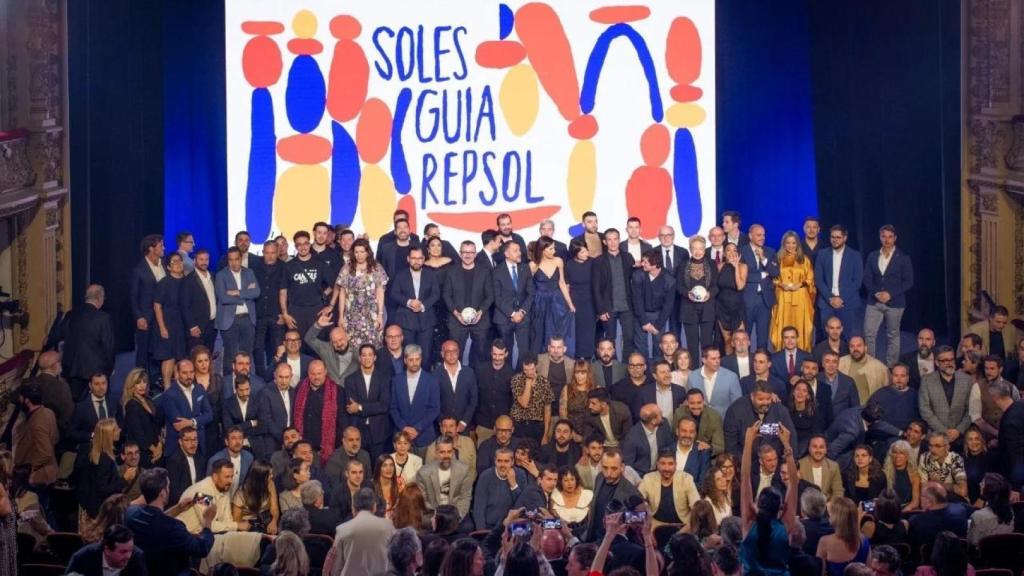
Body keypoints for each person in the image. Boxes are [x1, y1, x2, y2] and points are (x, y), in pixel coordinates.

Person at [126, 467, 216, 576]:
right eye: (168, 487)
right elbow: (202, 548)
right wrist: (207, 521)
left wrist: (177, 509)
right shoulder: (173, 527)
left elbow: (153, 520)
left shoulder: (131, 513)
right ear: (163, 493)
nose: (169, 490)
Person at [739, 421, 799, 575]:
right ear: (781, 507)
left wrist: (748, 443)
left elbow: (744, 478)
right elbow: (794, 482)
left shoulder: (749, 522)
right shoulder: (785, 524)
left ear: (757, 504)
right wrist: (787, 445)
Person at [863, 225, 914, 366]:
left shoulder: (903, 258)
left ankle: (891, 367)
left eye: (890, 237)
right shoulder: (872, 256)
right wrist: (876, 293)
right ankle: (870, 365)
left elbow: (909, 281)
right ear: (880, 237)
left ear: (895, 238)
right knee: (869, 334)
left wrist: (890, 294)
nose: (887, 240)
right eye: (884, 236)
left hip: (895, 303)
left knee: (892, 335)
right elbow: (867, 278)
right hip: (874, 302)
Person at [280, 230, 334, 351]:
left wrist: (328, 303)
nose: (303, 247)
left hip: (316, 311)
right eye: (299, 244)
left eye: (305, 243)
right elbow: (283, 291)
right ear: (295, 247)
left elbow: (335, 285)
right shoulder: (289, 266)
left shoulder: (320, 264)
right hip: (295, 311)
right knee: (296, 346)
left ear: (309, 244)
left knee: (318, 346)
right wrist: (285, 313)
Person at [444, 240, 495, 364]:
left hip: (480, 320)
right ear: (460, 253)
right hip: (457, 320)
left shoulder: (485, 272)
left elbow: (490, 296)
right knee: (455, 356)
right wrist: (456, 314)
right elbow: (446, 295)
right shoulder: (451, 271)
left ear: (475, 254)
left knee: (480, 355)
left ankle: (477, 381)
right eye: (465, 252)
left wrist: (480, 312)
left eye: (471, 252)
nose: (468, 255)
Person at [62, 284, 116, 401]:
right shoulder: (104, 318)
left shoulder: (71, 314)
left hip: (72, 368)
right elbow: (108, 346)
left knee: (75, 404)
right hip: (96, 370)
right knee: (99, 403)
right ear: (99, 298)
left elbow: (59, 335)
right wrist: (110, 369)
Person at [334, 238, 388, 350]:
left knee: (373, 346)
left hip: (371, 314)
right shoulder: (347, 268)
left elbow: (380, 291)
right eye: (356, 252)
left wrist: (380, 314)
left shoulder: (376, 268)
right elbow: (342, 293)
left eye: (362, 252)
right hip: (351, 315)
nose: (359, 255)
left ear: (368, 252)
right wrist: (341, 316)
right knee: (352, 347)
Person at [215, 248, 260, 376]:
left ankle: (247, 382)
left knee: (247, 354)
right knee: (230, 354)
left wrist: (237, 292)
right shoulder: (221, 275)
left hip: (247, 319)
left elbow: (256, 292)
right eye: (231, 260)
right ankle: (229, 385)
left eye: (236, 259)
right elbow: (223, 298)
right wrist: (245, 295)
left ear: (241, 259)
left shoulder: (249, 272)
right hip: (230, 320)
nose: (234, 263)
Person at [723, 380, 796, 460]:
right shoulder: (736, 410)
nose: (765, 403)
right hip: (745, 462)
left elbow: (791, 438)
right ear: (752, 397)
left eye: (768, 399)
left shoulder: (780, 410)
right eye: (760, 399)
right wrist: (746, 463)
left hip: (775, 463)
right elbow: (731, 445)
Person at [331, 487, 396, 576]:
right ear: (374, 507)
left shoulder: (342, 529)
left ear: (353, 508)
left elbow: (336, 568)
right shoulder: (389, 526)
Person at [814, 225, 863, 340]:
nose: (835, 240)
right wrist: (830, 298)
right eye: (832, 237)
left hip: (847, 302)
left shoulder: (855, 255)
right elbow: (819, 279)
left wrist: (841, 298)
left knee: (847, 336)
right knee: (827, 336)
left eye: (838, 237)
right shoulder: (822, 254)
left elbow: (857, 281)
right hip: (827, 303)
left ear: (845, 238)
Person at [593, 228, 637, 359]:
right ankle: (614, 367)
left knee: (629, 338)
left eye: (615, 239)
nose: (613, 242)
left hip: (626, 305)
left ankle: (626, 368)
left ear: (619, 240)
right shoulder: (599, 261)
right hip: (608, 307)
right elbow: (596, 287)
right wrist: (600, 310)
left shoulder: (628, 257)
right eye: (609, 240)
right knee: (610, 340)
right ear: (605, 242)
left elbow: (633, 280)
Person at [582, 448, 641, 542]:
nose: (608, 473)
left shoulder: (630, 491)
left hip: (614, 543)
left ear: (622, 467)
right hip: (593, 536)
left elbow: (641, 516)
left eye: (614, 468)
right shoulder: (600, 477)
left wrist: (622, 517)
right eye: (605, 467)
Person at [769, 231, 816, 352]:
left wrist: (800, 284)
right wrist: (781, 284)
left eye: (793, 243)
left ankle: (802, 352)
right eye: (788, 243)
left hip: (800, 297)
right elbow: (772, 278)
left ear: (797, 244)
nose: (791, 246)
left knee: (801, 325)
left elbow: (810, 278)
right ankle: (781, 353)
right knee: (782, 325)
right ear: (783, 244)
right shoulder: (778, 259)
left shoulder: (804, 260)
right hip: (783, 298)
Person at [529, 236, 576, 354]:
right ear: (542, 249)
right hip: (540, 302)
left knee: (558, 331)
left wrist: (570, 304)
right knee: (541, 332)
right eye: (550, 249)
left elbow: (562, 283)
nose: (554, 251)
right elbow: (529, 287)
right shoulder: (533, 265)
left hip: (557, 301)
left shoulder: (558, 261)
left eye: (554, 248)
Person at [390, 344, 441, 453]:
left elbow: (435, 409)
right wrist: (404, 427)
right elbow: (393, 408)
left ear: (421, 359)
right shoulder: (396, 380)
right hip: (401, 437)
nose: (414, 363)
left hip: (424, 437)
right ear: (405, 360)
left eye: (417, 359)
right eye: (411, 360)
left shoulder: (432, 381)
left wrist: (417, 428)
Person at [75, 419, 127, 525]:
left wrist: (118, 461)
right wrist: (124, 479)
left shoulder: (98, 453)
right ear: (109, 435)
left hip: (95, 506)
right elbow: (103, 489)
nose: (120, 430)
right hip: (101, 510)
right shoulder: (104, 459)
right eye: (116, 429)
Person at [678, 235, 719, 366]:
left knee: (707, 343)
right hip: (688, 308)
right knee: (692, 344)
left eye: (700, 248)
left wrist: (709, 294)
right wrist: (687, 293)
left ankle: (708, 368)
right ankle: (694, 371)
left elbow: (717, 285)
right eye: (694, 248)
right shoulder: (683, 265)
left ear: (704, 249)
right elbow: (679, 286)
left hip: (707, 308)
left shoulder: (712, 264)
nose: (698, 251)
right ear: (690, 249)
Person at [160, 359, 214, 455]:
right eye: (184, 373)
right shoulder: (169, 395)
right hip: (177, 448)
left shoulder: (199, 389)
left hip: (199, 445)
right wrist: (200, 419)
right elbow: (179, 424)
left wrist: (191, 422)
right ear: (177, 373)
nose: (189, 376)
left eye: (191, 372)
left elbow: (209, 415)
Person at [415, 435, 472, 524]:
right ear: (436, 453)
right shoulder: (423, 473)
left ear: (453, 452)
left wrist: (456, 517)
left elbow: (464, 498)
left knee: (467, 527)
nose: (446, 456)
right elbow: (423, 500)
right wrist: (438, 518)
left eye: (449, 452)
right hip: (433, 514)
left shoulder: (463, 470)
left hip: (455, 514)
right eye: (442, 452)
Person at [739, 224, 779, 351]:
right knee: (745, 336)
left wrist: (763, 259)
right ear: (750, 236)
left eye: (763, 235)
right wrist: (762, 274)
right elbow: (741, 276)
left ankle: (761, 364)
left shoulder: (770, 251)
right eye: (759, 235)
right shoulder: (741, 251)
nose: (762, 238)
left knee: (763, 338)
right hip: (747, 300)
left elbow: (775, 272)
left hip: (765, 301)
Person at [638, 449, 701, 529]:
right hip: (656, 526)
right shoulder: (648, 478)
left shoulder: (686, 479)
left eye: (670, 464)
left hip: (682, 526)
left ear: (676, 465)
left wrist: (688, 528)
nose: (667, 468)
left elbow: (696, 506)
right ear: (657, 464)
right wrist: (647, 527)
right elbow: (636, 505)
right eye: (663, 464)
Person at [908, 482, 970, 563]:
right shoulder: (961, 509)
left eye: (922, 496)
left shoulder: (916, 521)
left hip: (929, 564)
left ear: (929, 502)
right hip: (958, 563)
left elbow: (914, 551)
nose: (920, 498)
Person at [492, 240, 534, 358]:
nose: (520, 253)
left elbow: (531, 293)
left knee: (524, 352)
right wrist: (512, 313)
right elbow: (497, 297)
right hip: (504, 318)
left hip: (523, 317)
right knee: (506, 353)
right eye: (516, 251)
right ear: (507, 254)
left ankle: (521, 377)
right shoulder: (496, 271)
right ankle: (509, 376)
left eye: (519, 250)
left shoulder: (525, 268)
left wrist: (521, 312)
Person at [131, 234, 166, 377]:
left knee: (160, 350)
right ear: (151, 249)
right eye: (161, 246)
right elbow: (133, 296)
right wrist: (139, 317)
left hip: (164, 316)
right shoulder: (139, 270)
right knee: (144, 352)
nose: (164, 248)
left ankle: (156, 380)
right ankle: (139, 382)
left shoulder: (164, 264)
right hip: (147, 318)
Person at [632, 250, 676, 358]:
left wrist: (658, 325)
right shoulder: (638, 275)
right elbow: (637, 300)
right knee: (640, 346)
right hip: (641, 314)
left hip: (659, 315)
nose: (642, 264)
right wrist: (644, 322)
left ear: (655, 264)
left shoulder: (669, 279)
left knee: (659, 347)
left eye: (645, 262)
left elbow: (668, 305)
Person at [251, 241, 285, 380]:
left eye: (273, 253)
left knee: (276, 348)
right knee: (257, 348)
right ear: (263, 252)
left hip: (277, 315)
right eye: (267, 253)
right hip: (259, 314)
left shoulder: (284, 267)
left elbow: (287, 292)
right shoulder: (254, 266)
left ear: (277, 253)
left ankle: (274, 377)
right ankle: (260, 377)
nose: (270, 256)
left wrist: (284, 313)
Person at [472, 447, 527, 530]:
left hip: (513, 526)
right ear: (495, 461)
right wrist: (481, 532)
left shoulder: (520, 475)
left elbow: (523, 507)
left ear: (512, 462)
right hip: (490, 526)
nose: (502, 465)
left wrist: (513, 485)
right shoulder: (485, 476)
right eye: (499, 461)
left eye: (506, 461)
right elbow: (479, 508)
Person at [66, 524, 148, 576]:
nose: (128, 556)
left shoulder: (137, 556)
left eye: (131, 550)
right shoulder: (82, 557)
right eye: (123, 552)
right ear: (107, 550)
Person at [815, 497, 870, 575]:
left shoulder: (825, 542)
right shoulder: (864, 540)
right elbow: (869, 571)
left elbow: (820, 573)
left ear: (835, 518)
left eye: (830, 513)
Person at [434, 341, 478, 435]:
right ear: (442, 354)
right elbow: (433, 401)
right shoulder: (435, 374)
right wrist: (442, 422)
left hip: (463, 426)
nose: (452, 354)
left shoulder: (469, 372)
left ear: (458, 352)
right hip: (443, 427)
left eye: (454, 351)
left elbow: (473, 399)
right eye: (448, 351)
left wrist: (464, 421)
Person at [475, 340, 514, 446]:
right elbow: (475, 398)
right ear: (491, 353)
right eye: (495, 354)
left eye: (501, 354)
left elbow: (513, 401)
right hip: (484, 424)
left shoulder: (512, 374)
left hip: (503, 426)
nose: (497, 358)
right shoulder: (481, 371)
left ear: (506, 354)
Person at [254, 362, 297, 460]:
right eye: (281, 377)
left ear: (291, 377)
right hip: (272, 441)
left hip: (291, 442)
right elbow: (266, 420)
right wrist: (284, 438)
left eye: (287, 377)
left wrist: (290, 438)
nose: (284, 381)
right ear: (275, 376)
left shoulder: (294, 392)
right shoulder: (265, 392)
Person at [121, 368, 162, 466]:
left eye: (144, 382)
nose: (142, 385)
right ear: (131, 385)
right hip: (143, 452)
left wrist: (160, 446)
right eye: (138, 383)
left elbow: (157, 426)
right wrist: (154, 450)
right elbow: (138, 434)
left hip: (156, 448)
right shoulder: (131, 405)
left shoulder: (148, 399)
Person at [688, 346, 743, 418]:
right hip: (699, 423)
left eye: (718, 358)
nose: (717, 361)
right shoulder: (693, 376)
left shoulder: (731, 377)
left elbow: (737, 405)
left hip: (724, 423)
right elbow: (690, 402)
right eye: (713, 359)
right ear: (704, 360)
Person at [655, 225, 690, 337]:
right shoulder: (652, 252)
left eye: (669, 235)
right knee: (658, 332)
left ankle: (676, 354)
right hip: (658, 299)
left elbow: (686, 275)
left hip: (677, 298)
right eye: (663, 235)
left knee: (676, 331)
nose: (666, 238)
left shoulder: (683, 252)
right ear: (659, 237)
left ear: (673, 236)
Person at [304, 310, 356, 385]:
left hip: (351, 393)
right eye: (334, 342)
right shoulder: (326, 349)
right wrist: (318, 325)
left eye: (340, 339)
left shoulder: (358, 353)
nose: (339, 344)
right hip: (330, 392)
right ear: (331, 342)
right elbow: (308, 339)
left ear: (347, 337)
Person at [510, 355, 554, 442]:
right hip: (519, 424)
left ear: (536, 366)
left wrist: (545, 434)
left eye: (532, 369)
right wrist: (528, 382)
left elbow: (547, 409)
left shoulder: (544, 382)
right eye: (526, 370)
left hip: (537, 426)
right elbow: (524, 403)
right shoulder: (516, 380)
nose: (529, 372)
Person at [621, 404, 674, 476]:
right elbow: (628, 466)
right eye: (660, 414)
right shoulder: (632, 437)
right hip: (641, 475)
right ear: (653, 421)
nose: (662, 417)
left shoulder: (664, 425)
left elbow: (670, 445)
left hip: (661, 472)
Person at [673, 388, 725, 457]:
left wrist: (709, 447)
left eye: (699, 402)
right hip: (683, 453)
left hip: (705, 455)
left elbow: (720, 447)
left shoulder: (714, 417)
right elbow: (674, 437)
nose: (696, 406)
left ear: (703, 401)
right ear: (687, 402)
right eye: (692, 403)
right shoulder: (679, 413)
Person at [567, 238, 597, 357]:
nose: (586, 254)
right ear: (575, 253)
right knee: (576, 332)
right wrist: (569, 304)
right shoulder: (569, 265)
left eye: (586, 251)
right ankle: (577, 358)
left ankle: (589, 357)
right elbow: (567, 286)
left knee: (589, 332)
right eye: (582, 252)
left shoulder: (593, 262)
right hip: (575, 303)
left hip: (590, 302)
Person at [231, 458, 278, 533]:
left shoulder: (271, 484)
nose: (272, 476)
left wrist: (274, 521)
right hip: (248, 524)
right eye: (269, 474)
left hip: (265, 519)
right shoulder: (241, 493)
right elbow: (236, 520)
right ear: (260, 477)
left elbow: (274, 508)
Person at [191, 346, 224, 449]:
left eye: (206, 360)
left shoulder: (217, 379)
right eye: (200, 361)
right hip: (195, 428)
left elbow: (222, 406)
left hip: (213, 427)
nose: (204, 364)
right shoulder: (190, 381)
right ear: (194, 363)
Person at [918, 434, 968, 502]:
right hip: (933, 499)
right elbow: (924, 488)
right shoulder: (924, 457)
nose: (932, 450)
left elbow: (963, 491)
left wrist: (939, 483)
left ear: (947, 447)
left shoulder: (955, 459)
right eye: (930, 445)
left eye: (937, 446)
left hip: (955, 501)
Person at [166, 427, 207, 505]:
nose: (192, 444)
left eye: (195, 439)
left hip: (197, 501)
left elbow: (203, 486)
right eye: (187, 440)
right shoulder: (174, 461)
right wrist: (203, 502)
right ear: (180, 442)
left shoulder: (200, 458)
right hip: (181, 505)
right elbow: (176, 494)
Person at [799, 435, 844, 500]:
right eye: (814, 447)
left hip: (827, 506)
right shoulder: (800, 465)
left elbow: (838, 491)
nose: (818, 450)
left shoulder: (834, 466)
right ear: (809, 449)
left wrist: (831, 506)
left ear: (826, 450)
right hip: (805, 506)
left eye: (821, 447)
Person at [883, 440, 920, 511]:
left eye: (902, 453)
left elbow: (915, 502)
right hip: (887, 509)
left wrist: (902, 512)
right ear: (891, 455)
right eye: (895, 452)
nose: (897, 456)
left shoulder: (914, 475)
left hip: (906, 510)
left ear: (907, 456)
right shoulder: (884, 473)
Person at [789, 380, 823, 457]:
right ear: (793, 392)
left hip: (807, 452)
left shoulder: (814, 413)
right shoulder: (786, 412)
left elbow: (815, 436)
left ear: (808, 395)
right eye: (798, 389)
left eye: (804, 391)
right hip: (789, 449)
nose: (800, 393)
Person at [962, 426, 992, 505]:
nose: (974, 442)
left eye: (977, 439)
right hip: (966, 500)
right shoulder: (961, 458)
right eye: (970, 439)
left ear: (982, 440)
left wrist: (982, 498)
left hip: (986, 499)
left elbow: (995, 482)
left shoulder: (991, 457)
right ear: (966, 442)